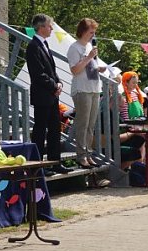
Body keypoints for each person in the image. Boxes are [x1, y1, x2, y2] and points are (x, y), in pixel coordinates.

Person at [25, 13, 70, 175]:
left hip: (51, 95)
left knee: (54, 129)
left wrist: (58, 83)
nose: (51, 28)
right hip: (42, 95)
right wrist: (53, 85)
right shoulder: (33, 46)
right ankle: (38, 166)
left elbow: (51, 69)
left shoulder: (44, 44)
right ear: (41, 27)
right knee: (40, 130)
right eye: (49, 25)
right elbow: (38, 74)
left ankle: (55, 162)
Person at [66, 18, 105, 168]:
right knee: (83, 124)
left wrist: (98, 67)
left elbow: (90, 66)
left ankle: (88, 154)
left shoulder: (90, 46)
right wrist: (89, 57)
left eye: (94, 32)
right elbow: (75, 70)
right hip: (82, 89)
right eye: (91, 32)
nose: (93, 35)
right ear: (83, 32)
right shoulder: (74, 48)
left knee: (91, 125)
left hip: (94, 88)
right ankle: (81, 155)